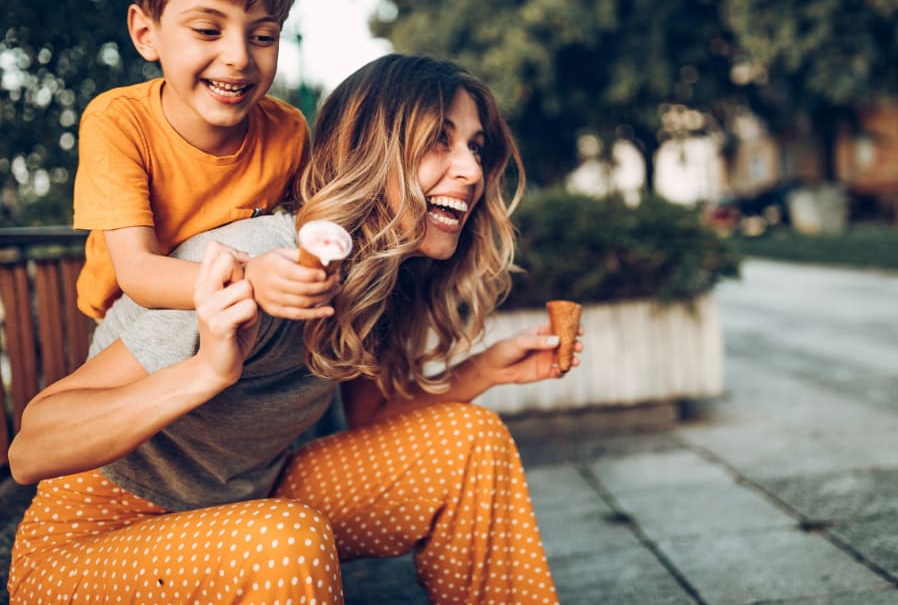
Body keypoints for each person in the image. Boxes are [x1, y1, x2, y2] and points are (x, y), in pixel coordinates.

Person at [8, 54, 582, 604]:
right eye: (440, 139)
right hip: (91, 541)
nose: (472, 169)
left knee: (470, 441)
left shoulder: (377, 278)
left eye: (476, 147)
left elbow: (366, 419)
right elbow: (32, 446)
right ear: (369, 151)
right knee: (286, 541)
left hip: (243, 505)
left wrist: (482, 369)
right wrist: (206, 370)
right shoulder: (253, 259)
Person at [73, 0, 336, 321]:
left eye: (263, 37)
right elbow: (138, 272)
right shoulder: (117, 121)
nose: (239, 57)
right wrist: (251, 278)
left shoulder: (288, 130)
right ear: (146, 34)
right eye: (207, 30)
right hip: (131, 318)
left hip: (227, 311)